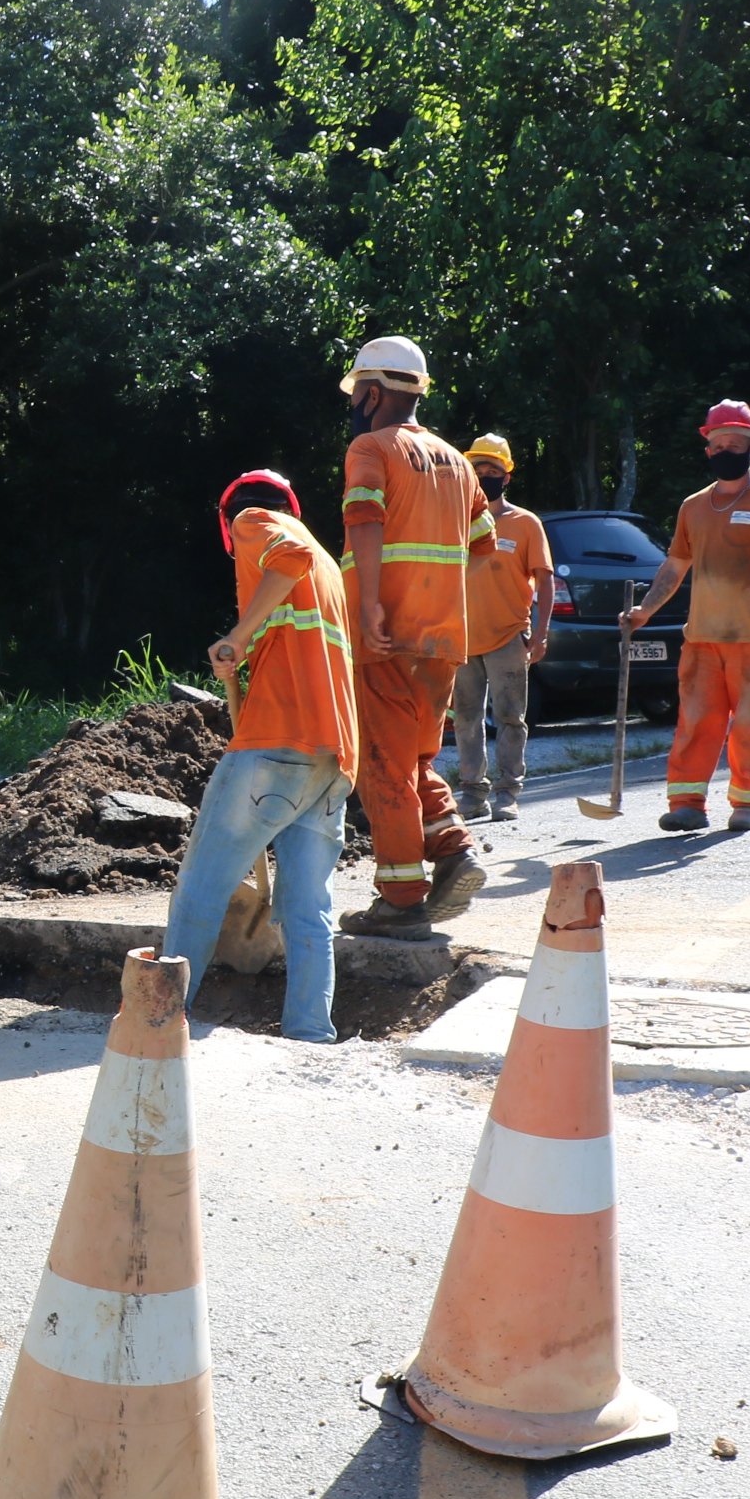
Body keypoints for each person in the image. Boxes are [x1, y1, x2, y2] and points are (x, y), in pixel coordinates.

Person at [163, 469, 356, 1041]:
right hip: (334, 754)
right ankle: (311, 1032)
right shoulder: (330, 566)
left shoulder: (256, 520)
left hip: (276, 742)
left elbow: (287, 552)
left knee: (200, 885)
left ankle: (159, 1021)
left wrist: (239, 635)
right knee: (308, 907)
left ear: (228, 523)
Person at [330, 336, 492, 940]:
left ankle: (400, 899)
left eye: (359, 394)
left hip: (386, 635)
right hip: (443, 638)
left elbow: (363, 521)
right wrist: (437, 598)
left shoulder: (370, 447)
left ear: (372, 392)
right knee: (415, 757)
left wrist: (372, 604)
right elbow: (483, 546)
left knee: (383, 766)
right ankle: (452, 848)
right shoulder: (456, 459)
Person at [621, 398, 750, 832]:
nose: (726, 449)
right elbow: (674, 566)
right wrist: (645, 610)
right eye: (719, 442)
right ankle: (687, 803)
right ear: (708, 450)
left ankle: (747, 803)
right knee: (694, 724)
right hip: (702, 639)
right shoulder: (693, 507)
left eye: (735, 442)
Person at [451, 433, 554, 819]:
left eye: (493, 470)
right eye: (479, 469)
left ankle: (508, 793)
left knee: (510, 716)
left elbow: (544, 580)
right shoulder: (454, 522)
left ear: (506, 476)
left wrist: (540, 634)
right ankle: (473, 795)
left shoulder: (525, 523)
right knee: (466, 718)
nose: (485, 476)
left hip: (509, 635)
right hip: (460, 637)